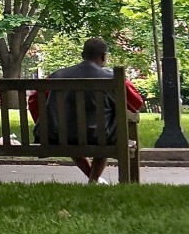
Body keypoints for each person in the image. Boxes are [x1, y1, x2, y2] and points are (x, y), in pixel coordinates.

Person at [28, 37, 144, 184]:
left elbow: (33, 99)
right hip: (101, 136)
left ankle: (93, 180)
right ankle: (93, 180)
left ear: (83, 55)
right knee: (104, 130)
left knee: (70, 133)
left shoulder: (57, 76)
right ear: (103, 57)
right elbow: (137, 104)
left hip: (60, 135)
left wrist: (46, 123)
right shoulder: (113, 79)